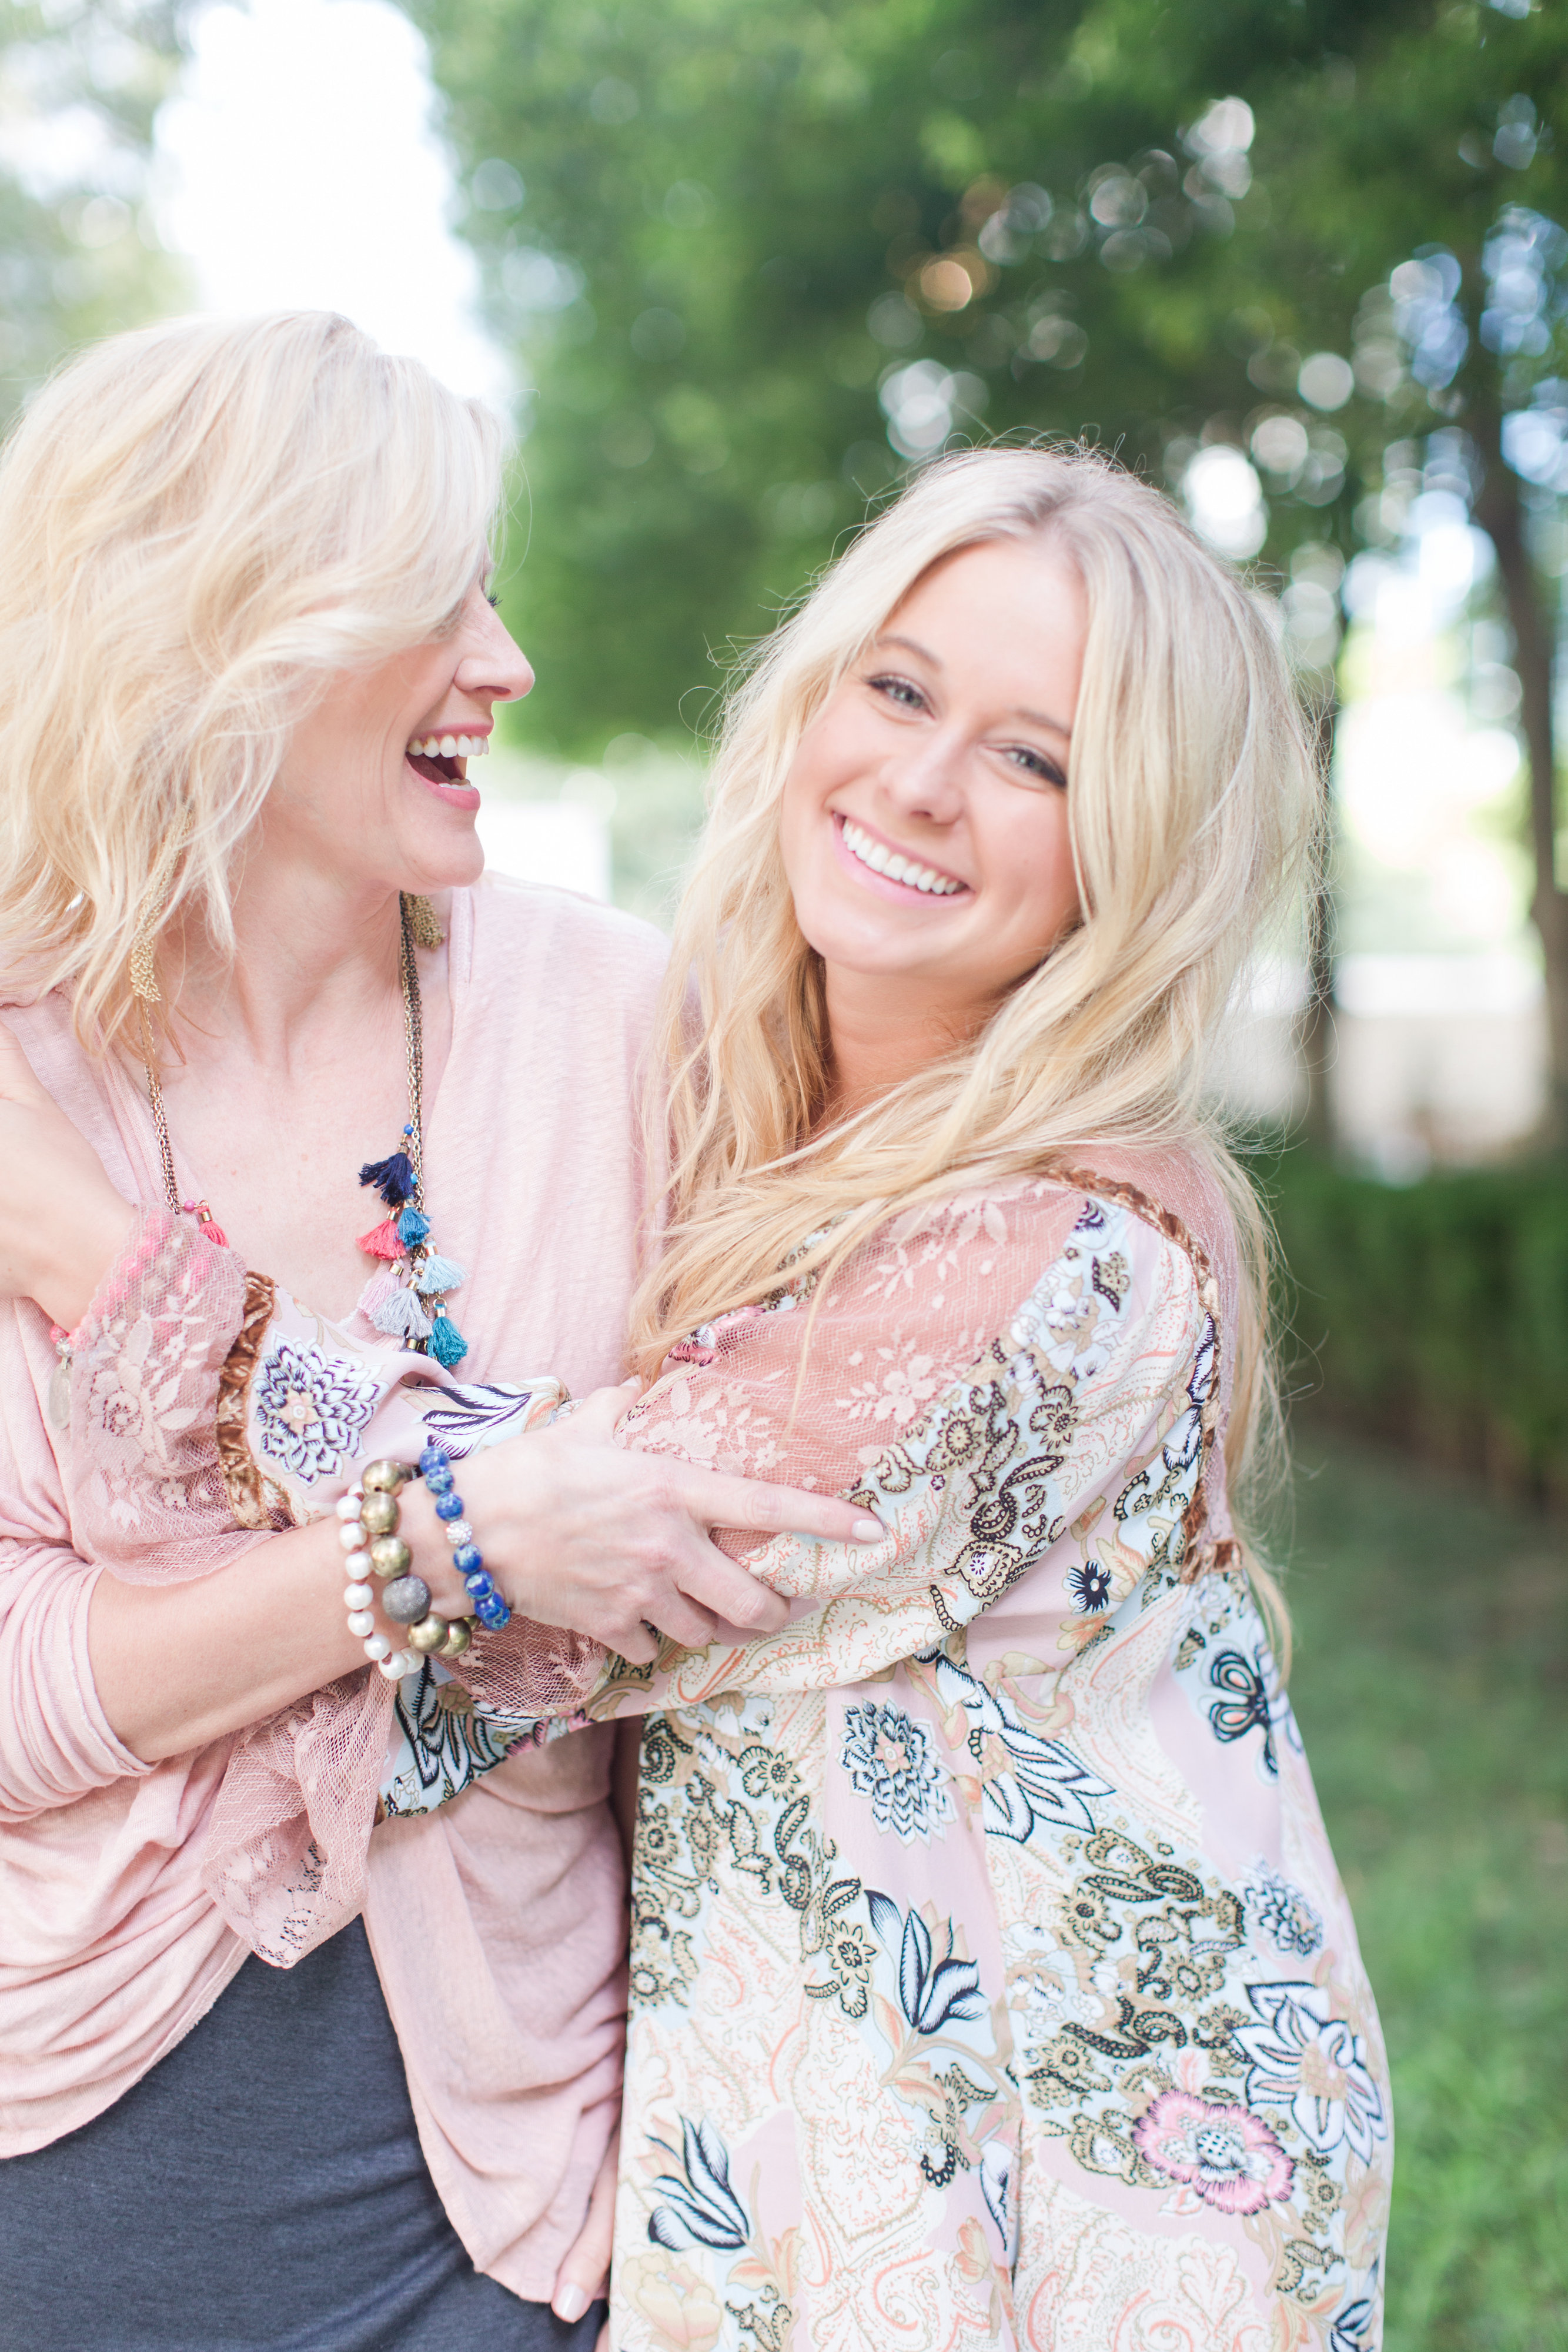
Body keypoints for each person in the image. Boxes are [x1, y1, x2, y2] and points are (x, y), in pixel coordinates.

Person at [3, 437, 1392, 2344]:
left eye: (1035, 759)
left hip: (1049, 2217)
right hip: (797, 2176)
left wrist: (84, 1245)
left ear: (1137, 851)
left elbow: (553, 1554)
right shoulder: (726, 1117)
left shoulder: (1057, 1254)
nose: (920, 781)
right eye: (896, 689)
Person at [0, 309, 880, 2352]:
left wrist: (110, 1270)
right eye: (434, 602)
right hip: (75, 2184)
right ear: (216, 635)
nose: (507, 661)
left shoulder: (621, 1022)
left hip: (517, 2200)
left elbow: (683, 1555)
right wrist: (447, 1547)